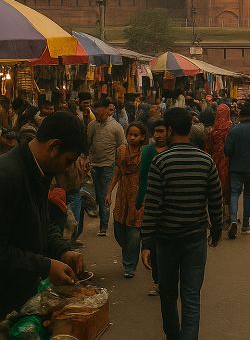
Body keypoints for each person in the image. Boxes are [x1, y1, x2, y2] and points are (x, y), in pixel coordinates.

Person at [141, 107, 223, 340]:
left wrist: (147, 242)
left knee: (168, 295)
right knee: (191, 295)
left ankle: (173, 335)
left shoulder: (161, 161)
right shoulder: (206, 160)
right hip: (195, 238)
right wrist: (216, 229)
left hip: (166, 240)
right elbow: (215, 200)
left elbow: (153, 205)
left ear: (169, 130)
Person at [0, 112, 87, 317]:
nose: (66, 169)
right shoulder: (7, 177)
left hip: (23, 299)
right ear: (54, 146)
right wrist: (45, 266)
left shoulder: (38, 170)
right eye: (68, 161)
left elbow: (41, 222)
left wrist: (62, 250)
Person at [105, 122, 147, 278]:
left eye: (136, 135)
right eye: (130, 134)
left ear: (142, 137)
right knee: (119, 231)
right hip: (122, 194)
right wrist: (109, 192)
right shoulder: (121, 151)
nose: (132, 138)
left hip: (138, 195)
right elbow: (117, 171)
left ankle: (129, 266)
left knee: (134, 232)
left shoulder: (146, 153)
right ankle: (128, 251)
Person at [224, 103, 250, 239]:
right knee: (247, 194)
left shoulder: (233, 130)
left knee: (234, 193)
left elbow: (227, 150)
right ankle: (246, 225)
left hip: (235, 167)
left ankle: (233, 221)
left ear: (240, 116)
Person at [136, 118, 168, 297]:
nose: (158, 135)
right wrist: (140, 201)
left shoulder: (172, 150)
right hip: (151, 203)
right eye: (155, 132)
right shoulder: (148, 151)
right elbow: (143, 178)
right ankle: (158, 282)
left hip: (169, 206)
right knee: (153, 245)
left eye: (161, 131)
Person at [87, 97, 126, 237]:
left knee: (105, 195)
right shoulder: (92, 125)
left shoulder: (116, 127)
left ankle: (103, 226)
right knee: (96, 195)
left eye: (100, 113)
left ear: (106, 110)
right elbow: (87, 143)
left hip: (108, 166)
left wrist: (119, 166)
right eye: (96, 113)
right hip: (93, 165)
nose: (98, 115)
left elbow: (122, 146)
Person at [205, 103, 232, 225]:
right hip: (228, 160)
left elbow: (208, 148)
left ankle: (218, 214)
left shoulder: (213, 131)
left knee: (216, 186)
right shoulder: (231, 128)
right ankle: (228, 213)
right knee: (228, 186)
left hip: (215, 161)